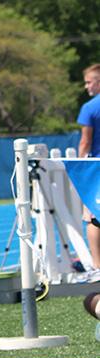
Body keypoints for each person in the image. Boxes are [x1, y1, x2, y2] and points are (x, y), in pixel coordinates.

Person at [78, 64, 100, 268]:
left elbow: (85, 141)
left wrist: (79, 168)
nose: (86, 87)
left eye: (89, 82)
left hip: (97, 169)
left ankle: (97, 265)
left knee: (93, 217)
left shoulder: (90, 107)